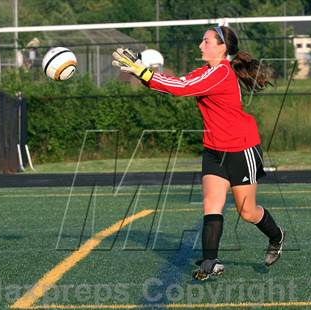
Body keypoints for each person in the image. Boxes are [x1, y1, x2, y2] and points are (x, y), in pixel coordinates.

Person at [112, 25, 284, 281]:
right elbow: (178, 84)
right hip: (214, 150)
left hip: (240, 149)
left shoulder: (221, 74)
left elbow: (180, 88)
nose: (200, 46)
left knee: (247, 212)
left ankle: (276, 236)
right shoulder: (205, 72)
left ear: (221, 48)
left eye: (206, 41)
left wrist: (144, 73)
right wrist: (142, 74)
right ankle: (211, 261)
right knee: (211, 206)